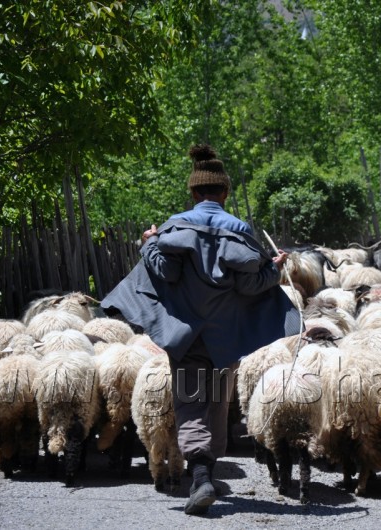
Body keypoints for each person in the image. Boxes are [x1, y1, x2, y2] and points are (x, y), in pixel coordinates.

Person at [101, 144, 301, 515]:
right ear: (224, 193)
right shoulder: (239, 230)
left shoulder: (175, 226)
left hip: (187, 336)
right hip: (227, 339)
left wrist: (148, 245)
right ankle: (206, 471)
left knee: (190, 403)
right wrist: (274, 268)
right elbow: (250, 285)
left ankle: (202, 476)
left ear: (193, 193)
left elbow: (166, 271)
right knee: (216, 404)